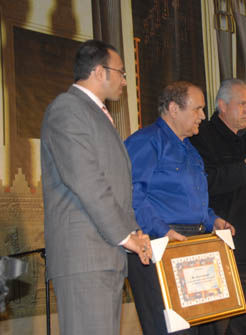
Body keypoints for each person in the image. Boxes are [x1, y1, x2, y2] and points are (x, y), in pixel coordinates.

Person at [40, 39, 152, 335]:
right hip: (85, 256)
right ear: (100, 71)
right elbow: (87, 180)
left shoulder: (95, 114)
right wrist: (124, 235)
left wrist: (134, 233)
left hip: (105, 254)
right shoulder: (67, 108)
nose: (125, 82)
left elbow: (112, 185)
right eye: (121, 73)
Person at [124, 81, 235, 335]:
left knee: (202, 328)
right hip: (159, 246)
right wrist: (162, 230)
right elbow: (132, 194)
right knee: (172, 329)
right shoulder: (146, 142)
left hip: (193, 245)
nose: (203, 116)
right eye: (197, 109)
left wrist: (213, 221)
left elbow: (195, 200)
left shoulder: (191, 150)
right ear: (174, 109)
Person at [190, 79, 246, 335]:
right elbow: (205, 184)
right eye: (241, 104)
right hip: (217, 244)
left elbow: (243, 184)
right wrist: (245, 167)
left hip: (245, 247)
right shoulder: (202, 137)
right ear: (222, 105)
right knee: (216, 326)